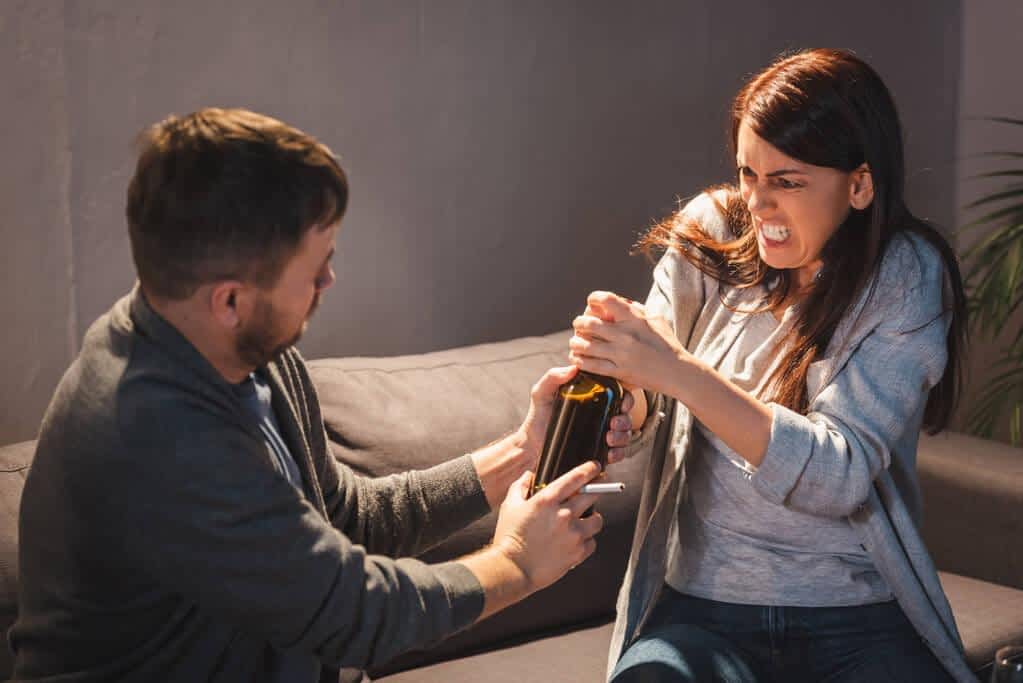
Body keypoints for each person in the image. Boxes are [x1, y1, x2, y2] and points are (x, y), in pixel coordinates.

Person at [10, 108, 633, 682]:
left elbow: (345, 521)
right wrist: (519, 562)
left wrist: (524, 451)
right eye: (314, 271)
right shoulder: (155, 432)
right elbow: (355, 617)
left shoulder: (247, 354)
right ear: (229, 300)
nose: (329, 282)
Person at [568, 48, 975, 682]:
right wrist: (626, 388)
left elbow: (838, 474)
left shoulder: (903, 273)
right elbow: (651, 393)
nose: (758, 203)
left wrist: (675, 372)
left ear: (859, 184)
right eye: (748, 174)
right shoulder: (716, 229)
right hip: (703, 611)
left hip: (855, 615)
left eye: (787, 181)